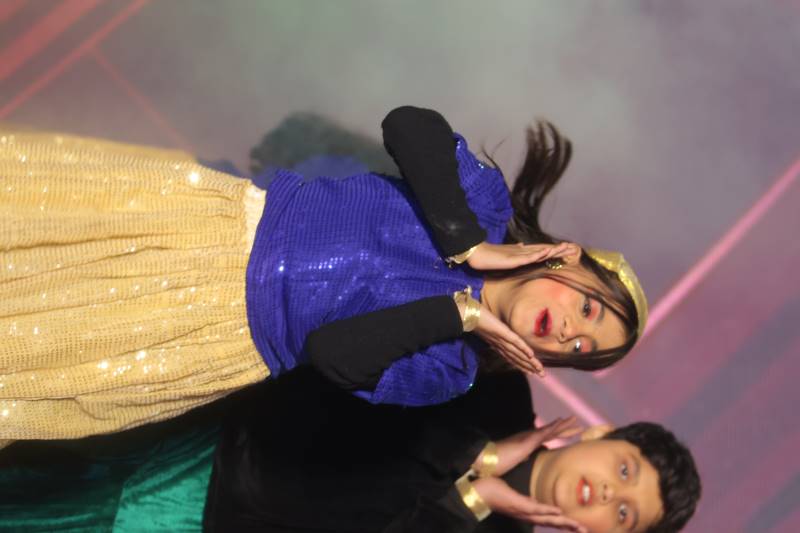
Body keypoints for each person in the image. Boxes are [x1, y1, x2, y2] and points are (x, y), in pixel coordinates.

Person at [0, 106, 648, 442]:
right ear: (570, 259)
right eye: (589, 311)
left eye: (580, 349)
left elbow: (334, 355)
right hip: (211, 226)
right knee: (26, 224)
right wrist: (468, 245)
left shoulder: (451, 371)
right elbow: (409, 125)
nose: (570, 332)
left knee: (29, 353)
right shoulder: (484, 205)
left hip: (207, 342)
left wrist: (463, 312)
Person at [203, 368, 701, 533]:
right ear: (599, 434)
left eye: (623, 514)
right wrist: (478, 455)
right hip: (217, 427)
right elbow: (360, 385)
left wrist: (470, 502)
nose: (611, 492)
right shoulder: (500, 385)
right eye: (624, 470)